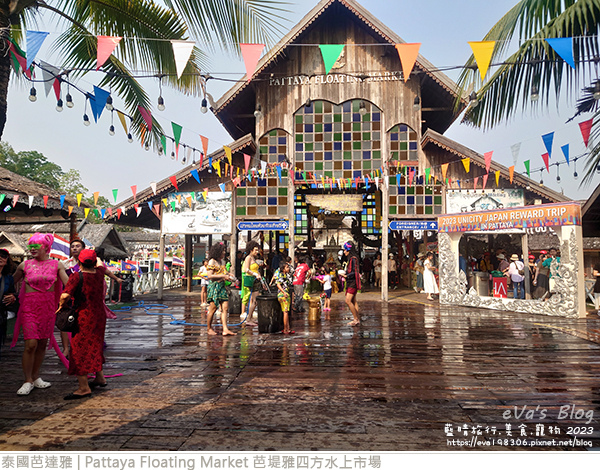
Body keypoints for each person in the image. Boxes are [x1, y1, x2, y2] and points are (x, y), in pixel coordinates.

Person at [12, 233, 69, 396]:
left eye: (36, 246)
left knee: (43, 343)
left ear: (46, 247)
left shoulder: (57, 265)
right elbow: (10, 283)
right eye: (30, 246)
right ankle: (27, 380)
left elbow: (68, 284)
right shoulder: (24, 265)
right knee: (31, 344)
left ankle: (36, 377)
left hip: (48, 308)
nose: (32, 249)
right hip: (29, 307)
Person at [58, 249, 110, 399]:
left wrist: (61, 305)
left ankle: (83, 387)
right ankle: (100, 377)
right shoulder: (100, 273)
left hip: (83, 316)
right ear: (93, 262)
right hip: (99, 315)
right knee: (95, 344)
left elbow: (65, 295)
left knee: (79, 350)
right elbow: (100, 265)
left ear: (79, 262)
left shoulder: (77, 276)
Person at [205, 243, 236, 336]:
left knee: (225, 308)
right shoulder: (212, 261)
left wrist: (230, 275)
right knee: (213, 308)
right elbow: (210, 276)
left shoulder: (222, 262)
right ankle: (209, 328)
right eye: (223, 251)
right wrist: (223, 276)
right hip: (214, 287)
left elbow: (224, 271)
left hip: (222, 287)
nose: (224, 253)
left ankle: (225, 329)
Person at [339, 241, 361, 326]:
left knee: (348, 301)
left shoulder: (353, 259)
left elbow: (354, 272)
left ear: (349, 250)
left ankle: (355, 319)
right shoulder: (352, 258)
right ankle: (357, 318)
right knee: (353, 301)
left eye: (345, 250)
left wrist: (345, 275)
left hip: (352, 282)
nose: (344, 252)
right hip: (351, 281)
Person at [0, 249, 18, 351]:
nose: (0, 258)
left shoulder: (8, 278)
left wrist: (12, 298)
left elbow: (11, 293)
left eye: (3, 256)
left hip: (1, 314)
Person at [241, 240, 262, 326]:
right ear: (251, 250)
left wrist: (262, 281)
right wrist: (254, 274)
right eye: (255, 250)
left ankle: (250, 318)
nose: (257, 252)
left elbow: (256, 270)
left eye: (258, 250)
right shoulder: (248, 258)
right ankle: (249, 318)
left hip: (256, 280)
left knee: (254, 300)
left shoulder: (254, 258)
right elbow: (246, 269)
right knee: (254, 300)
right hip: (251, 280)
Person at [274, 261, 294, 334]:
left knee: (286, 311)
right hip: (283, 295)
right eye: (287, 267)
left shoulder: (285, 275)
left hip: (283, 294)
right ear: (283, 269)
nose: (288, 268)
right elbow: (278, 284)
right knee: (285, 312)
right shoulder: (282, 275)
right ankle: (285, 329)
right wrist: (284, 292)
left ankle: (288, 327)